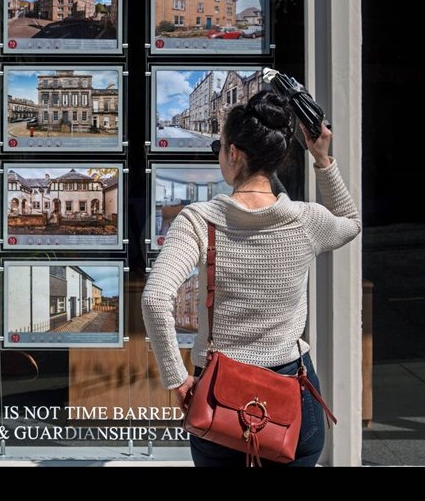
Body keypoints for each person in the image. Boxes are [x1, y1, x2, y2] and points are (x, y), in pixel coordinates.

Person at [141, 90, 361, 467]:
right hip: (292, 395)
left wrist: (176, 377)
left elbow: (155, 298)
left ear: (234, 154)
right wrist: (322, 159)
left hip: (219, 398)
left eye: (219, 146)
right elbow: (352, 222)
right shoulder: (307, 220)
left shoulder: (198, 219)